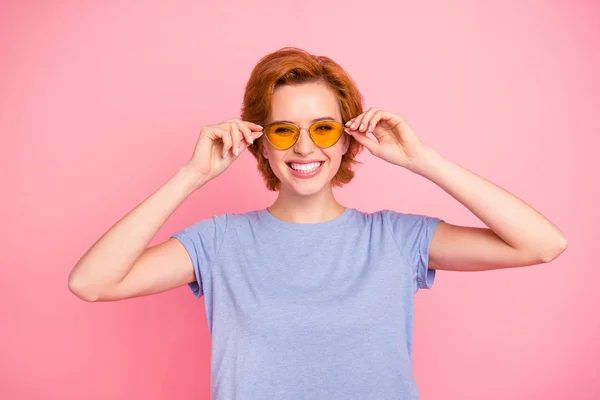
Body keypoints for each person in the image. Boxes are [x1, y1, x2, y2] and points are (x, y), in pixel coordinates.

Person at [68, 47, 568, 399]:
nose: (305, 148)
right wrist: (190, 176)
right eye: (284, 131)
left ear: (349, 137)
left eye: (324, 128)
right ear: (260, 141)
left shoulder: (395, 239)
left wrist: (424, 160)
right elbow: (91, 282)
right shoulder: (220, 242)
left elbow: (542, 244)